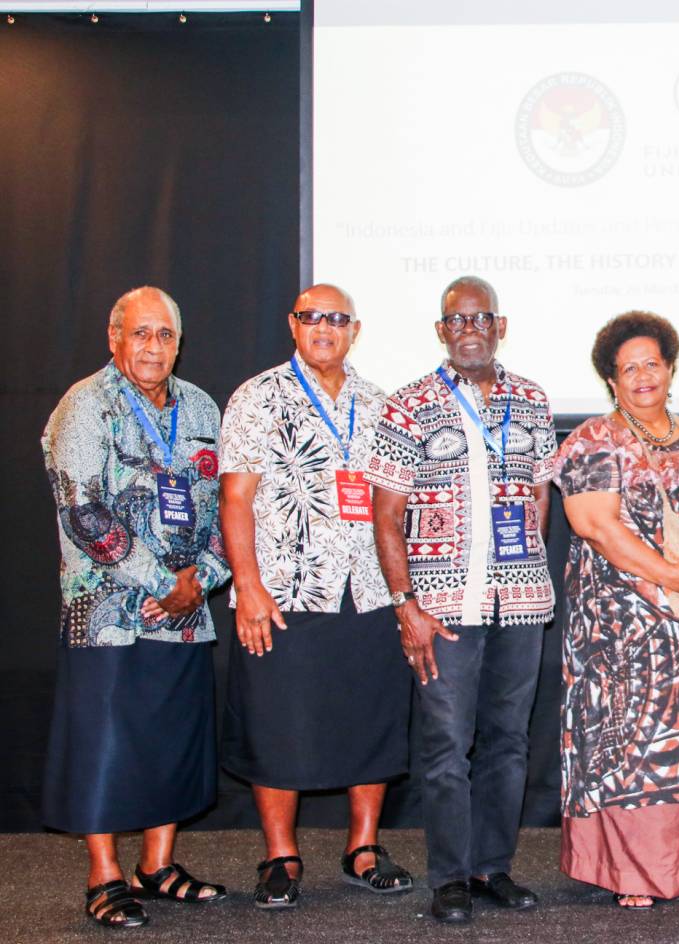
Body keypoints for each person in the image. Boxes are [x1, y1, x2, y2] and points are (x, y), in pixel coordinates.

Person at [367, 276, 558, 924]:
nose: (470, 327)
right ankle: (449, 876)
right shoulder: (409, 405)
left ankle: (491, 868)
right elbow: (385, 515)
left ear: (500, 326)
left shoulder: (531, 400)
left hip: (522, 603)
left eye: (481, 318)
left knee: (508, 742)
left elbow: (540, 498)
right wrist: (406, 605)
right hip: (444, 608)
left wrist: (524, 562)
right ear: (442, 331)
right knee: (447, 744)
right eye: (457, 319)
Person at [218, 284, 413, 910]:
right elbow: (236, 498)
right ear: (293, 326)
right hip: (286, 591)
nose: (323, 327)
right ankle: (280, 855)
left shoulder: (380, 404)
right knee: (279, 725)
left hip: (369, 589)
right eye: (311, 317)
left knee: (372, 720)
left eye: (336, 318)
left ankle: (363, 849)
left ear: (355, 329)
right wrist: (247, 586)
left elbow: (395, 504)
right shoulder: (257, 397)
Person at [41, 286, 231, 928]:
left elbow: (225, 513)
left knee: (169, 740)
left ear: (179, 343)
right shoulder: (85, 406)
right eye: (141, 333)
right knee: (105, 743)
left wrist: (198, 581)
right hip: (105, 614)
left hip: (184, 614)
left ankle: (158, 866)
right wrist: (162, 582)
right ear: (114, 337)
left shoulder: (202, 407)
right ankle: (105, 876)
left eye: (165, 336)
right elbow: (85, 514)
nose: (154, 347)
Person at [555, 311, 679, 910]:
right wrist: (670, 575)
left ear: (670, 369)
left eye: (651, 364)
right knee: (633, 748)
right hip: (623, 627)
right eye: (627, 368)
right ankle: (632, 871)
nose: (642, 376)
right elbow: (594, 525)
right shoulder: (593, 440)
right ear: (611, 381)